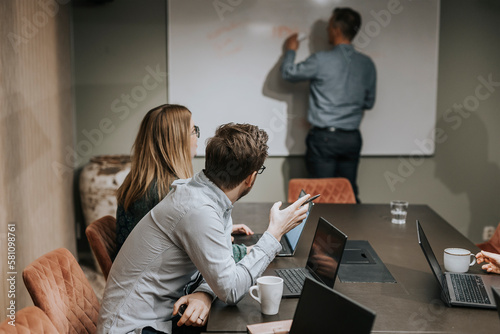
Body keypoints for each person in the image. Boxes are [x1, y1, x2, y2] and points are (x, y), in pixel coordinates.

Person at [97, 123, 310, 333]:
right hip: (134, 328)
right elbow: (232, 290)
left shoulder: (206, 193)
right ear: (251, 178)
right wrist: (274, 234)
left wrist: (205, 292)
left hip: (161, 315)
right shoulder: (199, 210)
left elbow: (218, 268)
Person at [115, 104, 252, 261]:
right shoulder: (168, 192)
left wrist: (216, 230)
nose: (197, 137)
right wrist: (250, 251)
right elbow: (203, 255)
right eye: (193, 131)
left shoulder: (138, 181)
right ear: (177, 141)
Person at [280, 7, 377, 202]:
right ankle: (352, 231)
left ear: (336, 29)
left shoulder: (321, 60)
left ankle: (321, 233)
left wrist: (290, 50)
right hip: (351, 138)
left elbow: (288, 73)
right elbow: (369, 102)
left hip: (324, 139)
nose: (327, 31)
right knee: (348, 195)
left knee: (320, 196)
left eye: (329, 26)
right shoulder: (367, 64)